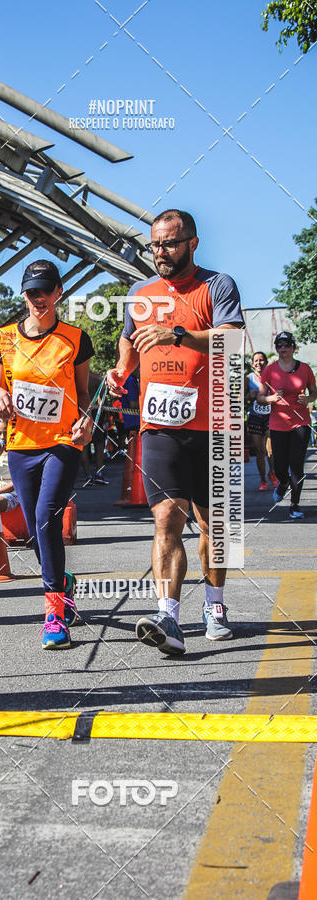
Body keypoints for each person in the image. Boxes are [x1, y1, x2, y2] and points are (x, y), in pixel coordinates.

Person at [107, 209, 244, 655]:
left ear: (192, 243)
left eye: (169, 243)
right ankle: (168, 616)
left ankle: (215, 604)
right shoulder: (139, 292)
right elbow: (129, 336)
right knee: (167, 518)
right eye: (154, 245)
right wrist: (122, 368)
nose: (160, 253)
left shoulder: (216, 285)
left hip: (212, 425)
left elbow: (232, 339)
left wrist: (179, 334)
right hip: (160, 426)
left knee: (214, 526)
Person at [0, 259, 94, 649]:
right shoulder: (3, 339)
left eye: (45, 291)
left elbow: (84, 393)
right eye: (32, 292)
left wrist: (85, 422)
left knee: (47, 517)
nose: (38, 299)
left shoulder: (75, 338)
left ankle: (54, 612)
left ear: (58, 293)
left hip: (63, 442)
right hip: (21, 446)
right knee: (36, 531)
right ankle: (62, 581)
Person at [257, 331, 316, 519]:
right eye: (279, 346)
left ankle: (295, 505)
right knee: (280, 466)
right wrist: (271, 398)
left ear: (293, 347)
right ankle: (283, 484)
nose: (283, 349)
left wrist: (307, 398)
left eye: (286, 345)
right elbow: (260, 396)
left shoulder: (305, 369)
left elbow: (314, 392)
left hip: (301, 422)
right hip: (278, 423)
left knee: (297, 466)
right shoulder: (270, 370)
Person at [245, 351, 276, 490]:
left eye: (261, 360)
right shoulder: (248, 378)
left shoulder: (273, 377)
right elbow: (239, 398)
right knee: (259, 451)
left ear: (266, 362)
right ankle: (263, 480)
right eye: (256, 361)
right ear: (252, 364)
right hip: (254, 417)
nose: (259, 363)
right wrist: (249, 396)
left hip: (271, 415)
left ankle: (273, 474)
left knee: (271, 450)